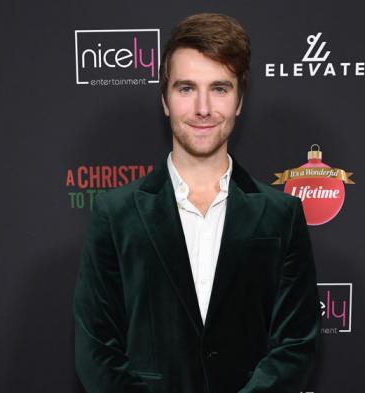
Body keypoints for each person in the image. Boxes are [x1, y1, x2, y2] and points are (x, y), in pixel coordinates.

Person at [74, 13, 320, 393]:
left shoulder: (281, 216)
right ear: (165, 99)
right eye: (187, 88)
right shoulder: (116, 213)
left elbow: (295, 346)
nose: (203, 108)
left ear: (239, 101)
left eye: (219, 88)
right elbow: (97, 352)